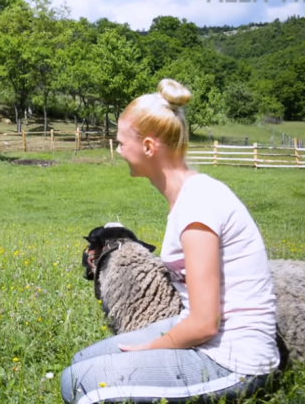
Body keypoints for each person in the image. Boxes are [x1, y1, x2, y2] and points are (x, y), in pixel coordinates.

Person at [60, 79, 280, 403]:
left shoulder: (198, 204)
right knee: (79, 365)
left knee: (78, 385)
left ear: (149, 147)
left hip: (234, 360)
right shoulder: (187, 197)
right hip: (204, 339)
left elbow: (204, 324)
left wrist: (147, 349)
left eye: (122, 143)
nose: (118, 151)